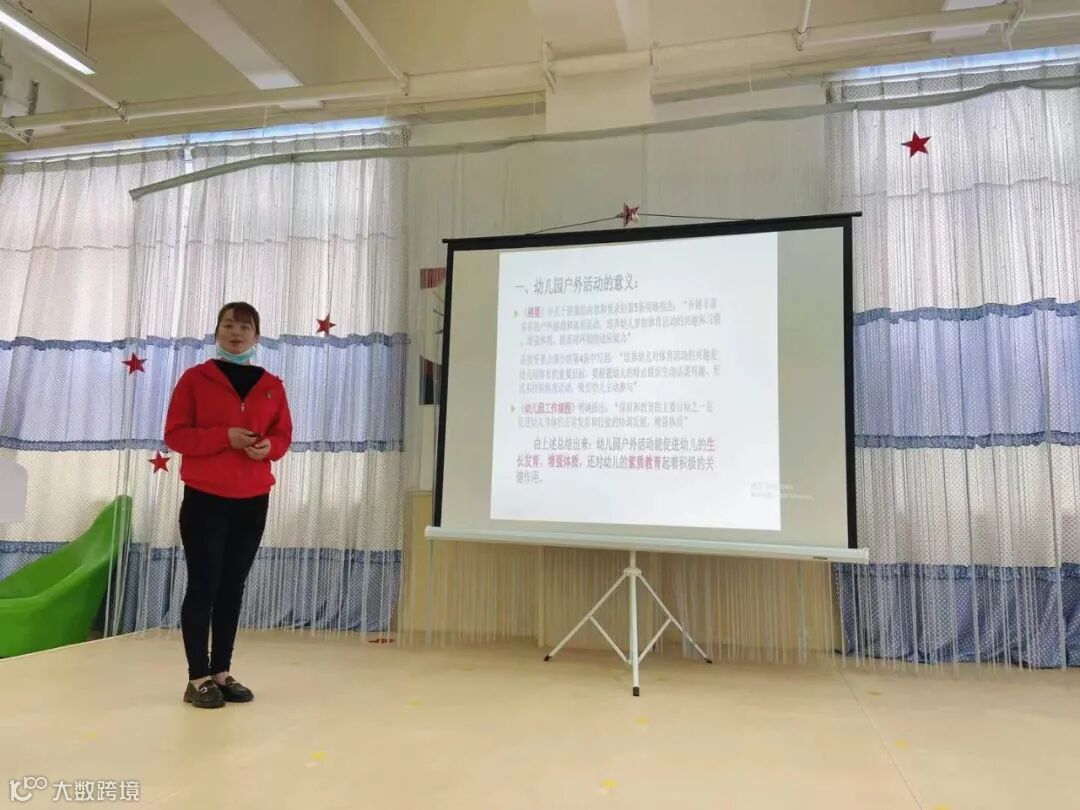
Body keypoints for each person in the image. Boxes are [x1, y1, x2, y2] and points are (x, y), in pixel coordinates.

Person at [164, 302, 293, 709]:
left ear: (257, 336)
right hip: (205, 498)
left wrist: (269, 447)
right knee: (203, 585)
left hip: (253, 499)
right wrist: (225, 437)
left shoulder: (271, 385)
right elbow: (176, 435)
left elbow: (283, 436)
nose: (236, 333)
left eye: (245, 327)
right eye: (229, 325)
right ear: (217, 332)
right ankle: (197, 677)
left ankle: (221, 671)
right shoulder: (195, 379)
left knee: (232, 587)